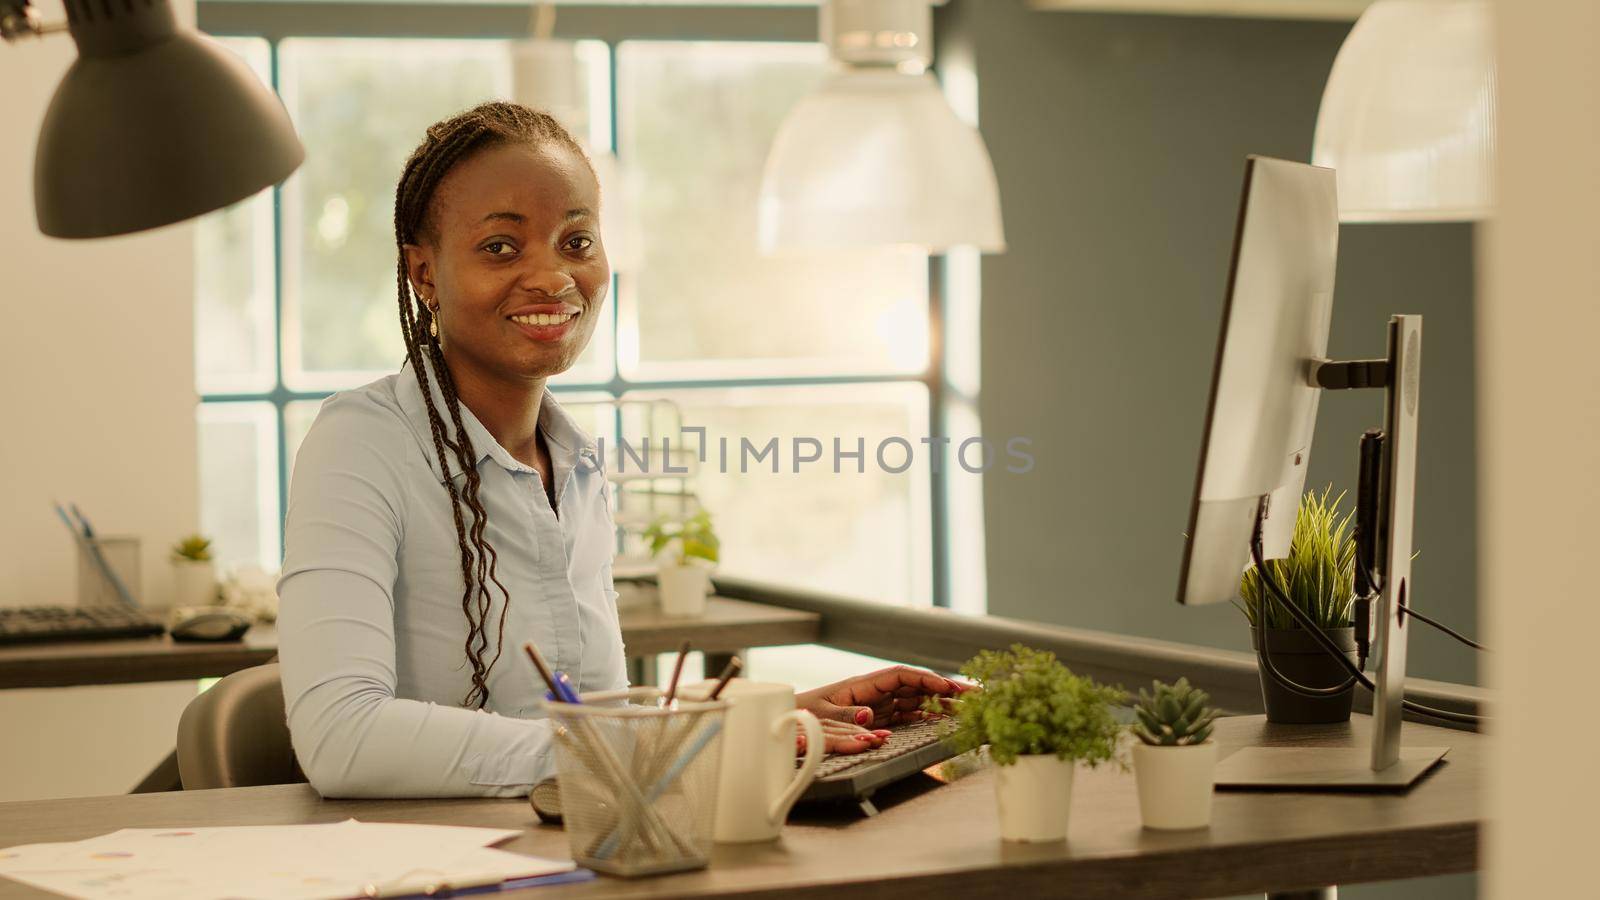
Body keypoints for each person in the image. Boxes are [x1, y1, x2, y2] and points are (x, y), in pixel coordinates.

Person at [277, 101, 965, 798]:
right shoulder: (361, 445)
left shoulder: (574, 465)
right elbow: (343, 737)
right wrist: (669, 744)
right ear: (424, 274)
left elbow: (593, 719)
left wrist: (761, 719)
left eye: (576, 242)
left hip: (581, 848)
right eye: (500, 247)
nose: (552, 277)